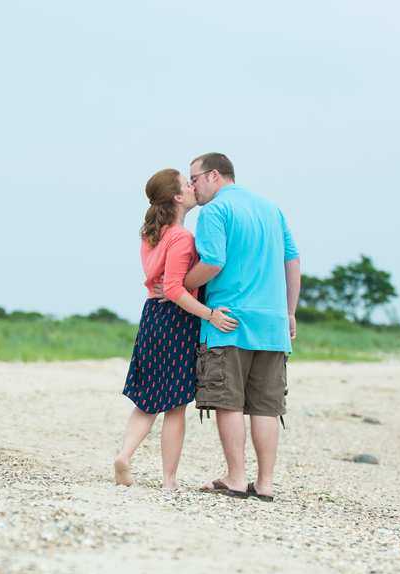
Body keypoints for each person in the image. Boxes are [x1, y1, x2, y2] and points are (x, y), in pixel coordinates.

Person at [183, 153, 300, 501]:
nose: (192, 187)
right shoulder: (270, 207)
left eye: (194, 179)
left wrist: (182, 284)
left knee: (227, 401)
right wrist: (290, 312)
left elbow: (214, 261)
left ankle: (236, 477)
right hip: (273, 324)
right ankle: (264, 485)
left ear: (214, 175)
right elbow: (291, 259)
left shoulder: (215, 210)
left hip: (228, 321)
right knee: (266, 405)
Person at [117, 168, 238, 490]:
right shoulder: (182, 237)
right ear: (177, 197)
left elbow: (161, 284)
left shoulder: (151, 235)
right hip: (177, 321)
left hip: (151, 318)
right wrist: (210, 314)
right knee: (174, 405)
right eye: (188, 184)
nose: (193, 187)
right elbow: (173, 288)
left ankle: (125, 456)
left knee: (146, 400)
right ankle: (168, 480)